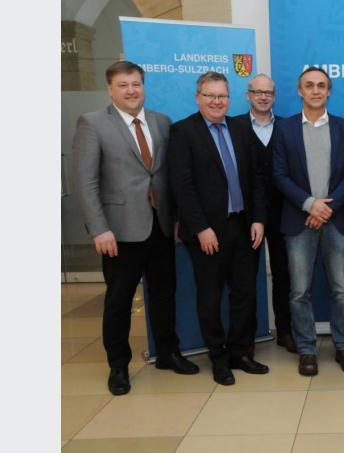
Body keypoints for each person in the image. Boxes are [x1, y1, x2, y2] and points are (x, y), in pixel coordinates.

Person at [73, 60, 199, 395]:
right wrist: (99, 229)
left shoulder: (161, 122)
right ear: (110, 89)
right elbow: (85, 183)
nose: (131, 91)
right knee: (119, 300)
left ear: (144, 86)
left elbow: (167, 177)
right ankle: (118, 366)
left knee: (163, 295)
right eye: (123, 85)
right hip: (118, 233)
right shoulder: (93, 123)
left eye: (136, 84)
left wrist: (174, 221)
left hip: (159, 227)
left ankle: (168, 354)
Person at [168, 71, 268, 386]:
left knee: (244, 294)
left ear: (229, 98)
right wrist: (200, 228)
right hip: (208, 233)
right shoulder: (183, 132)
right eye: (210, 95)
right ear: (198, 97)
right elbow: (181, 186)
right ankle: (219, 357)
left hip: (243, 226)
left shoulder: (241, 128)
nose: (216, 101)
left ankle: (240, 352)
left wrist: (258, 219)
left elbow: (257, 177)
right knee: (209, 298)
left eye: (222, 96)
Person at [272, 67, 344, 376]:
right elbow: (279, 174)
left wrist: (327, 207)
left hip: (337, 219)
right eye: (309, 85)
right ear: (299, 90)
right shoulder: (284, 130)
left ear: (329, 91)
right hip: (299, 221)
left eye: (322, 85)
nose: (315, 90)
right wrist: (310, 205)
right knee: (299, 291)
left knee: (342, 290)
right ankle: (307, 349)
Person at [234, 74, 296, 354]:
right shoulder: (232, 126)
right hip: (246, 216)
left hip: (285, 213)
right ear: (248, 95)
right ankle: (246, 338)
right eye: (257, 92)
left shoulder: (288, 127)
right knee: (245, 277)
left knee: (285, 274)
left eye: (268, 92)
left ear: (274, 96)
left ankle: (285, 331)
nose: (262, 97)